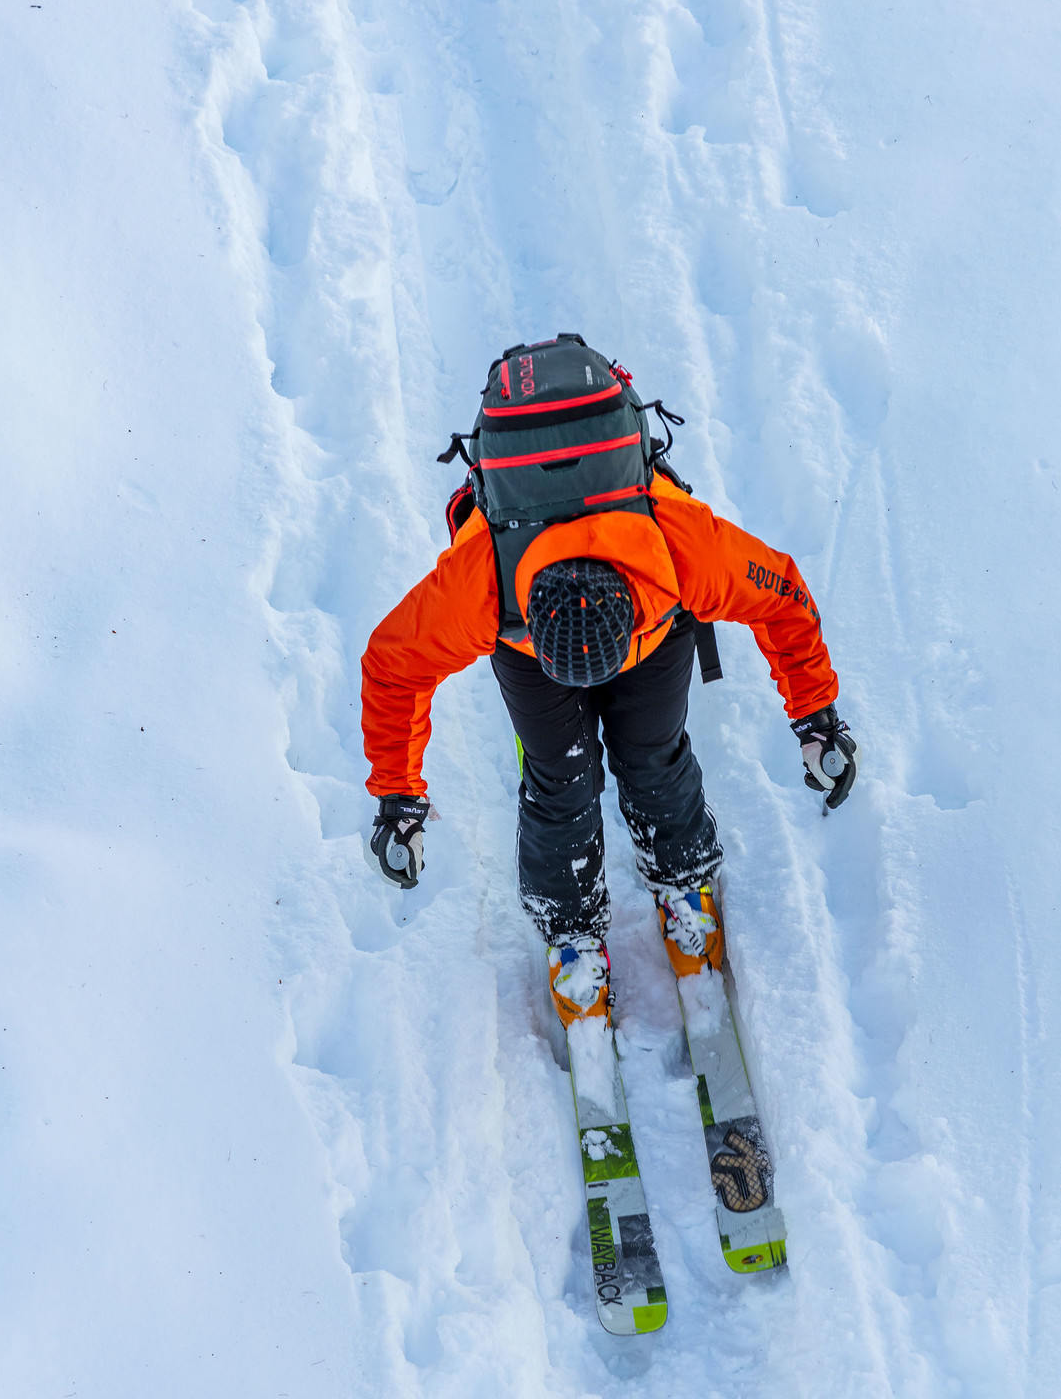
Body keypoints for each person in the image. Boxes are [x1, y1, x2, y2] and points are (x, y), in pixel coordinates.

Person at [360, 336, 857, 1028]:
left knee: (652, 755)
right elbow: (391, 662)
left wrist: (816, 714)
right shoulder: (480, 583)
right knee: (561, 782)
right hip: (532, 656)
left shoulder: (684, 548)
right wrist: (398, 794)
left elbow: (783, 595)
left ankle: (683, 881)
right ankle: (571, 929)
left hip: (652, 639)